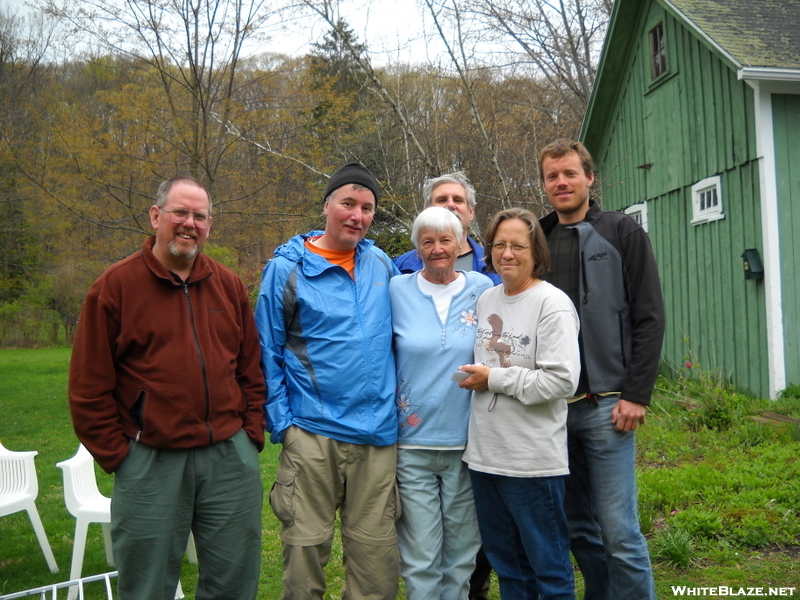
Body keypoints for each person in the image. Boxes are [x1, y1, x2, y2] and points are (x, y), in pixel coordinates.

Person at [68, 176, 266, 600]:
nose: (189, 224)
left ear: (210, 224)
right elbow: (88, 387)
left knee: (234, 580)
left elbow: (251, 368)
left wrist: (250, 433)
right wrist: (121, 456)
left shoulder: (228, 285)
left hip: (228, 457)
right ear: (156, 216)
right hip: (151, 461)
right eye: (180, 212)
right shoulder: (115, 288)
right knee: (147, 585)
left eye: (200, 215)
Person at [256, 163, 401, 600]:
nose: (356, 215)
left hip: (377, 440)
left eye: (367, 208)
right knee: (304, 560)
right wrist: (286, 426)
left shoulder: (380, 263)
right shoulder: (286, 271)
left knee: (376, 566)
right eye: (348, 204)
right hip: (313, 437)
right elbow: (266, 351)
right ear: (327, 205)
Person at [538, 138, 665, 600]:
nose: (562, 183)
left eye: (570, 173)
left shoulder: (621, 231)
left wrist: (637, 393)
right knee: (578, 529)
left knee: (619, 533)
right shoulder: (539, 237)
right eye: (553, 176)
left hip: (607, 406)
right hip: (551, 410)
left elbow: (649, 315)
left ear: (590, 178)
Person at [459, 207, 581, 600]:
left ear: (536, 252)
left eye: (517, 245)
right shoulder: (486, 300)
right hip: (485, 456)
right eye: (499, 245)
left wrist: (493, 378)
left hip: (531, 462)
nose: (506, 254)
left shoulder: (552, 304)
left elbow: (562, 380)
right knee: (508, 566)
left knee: (548, 567)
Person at [394, 171, 499, 599]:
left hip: (467, 442)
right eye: (427, 241)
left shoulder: (482, 288)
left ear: (462, 244)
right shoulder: (395, 290)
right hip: (412, 444)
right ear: (417, 247)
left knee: (461, 557)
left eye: (446, 241)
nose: (437, 249)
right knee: (420, 558)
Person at [394, 171, 500, 286]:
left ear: (471, 212)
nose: (450, 205)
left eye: (458, 200)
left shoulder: (495, 264)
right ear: (426, 211)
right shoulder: (400, 268)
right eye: (442, 200)